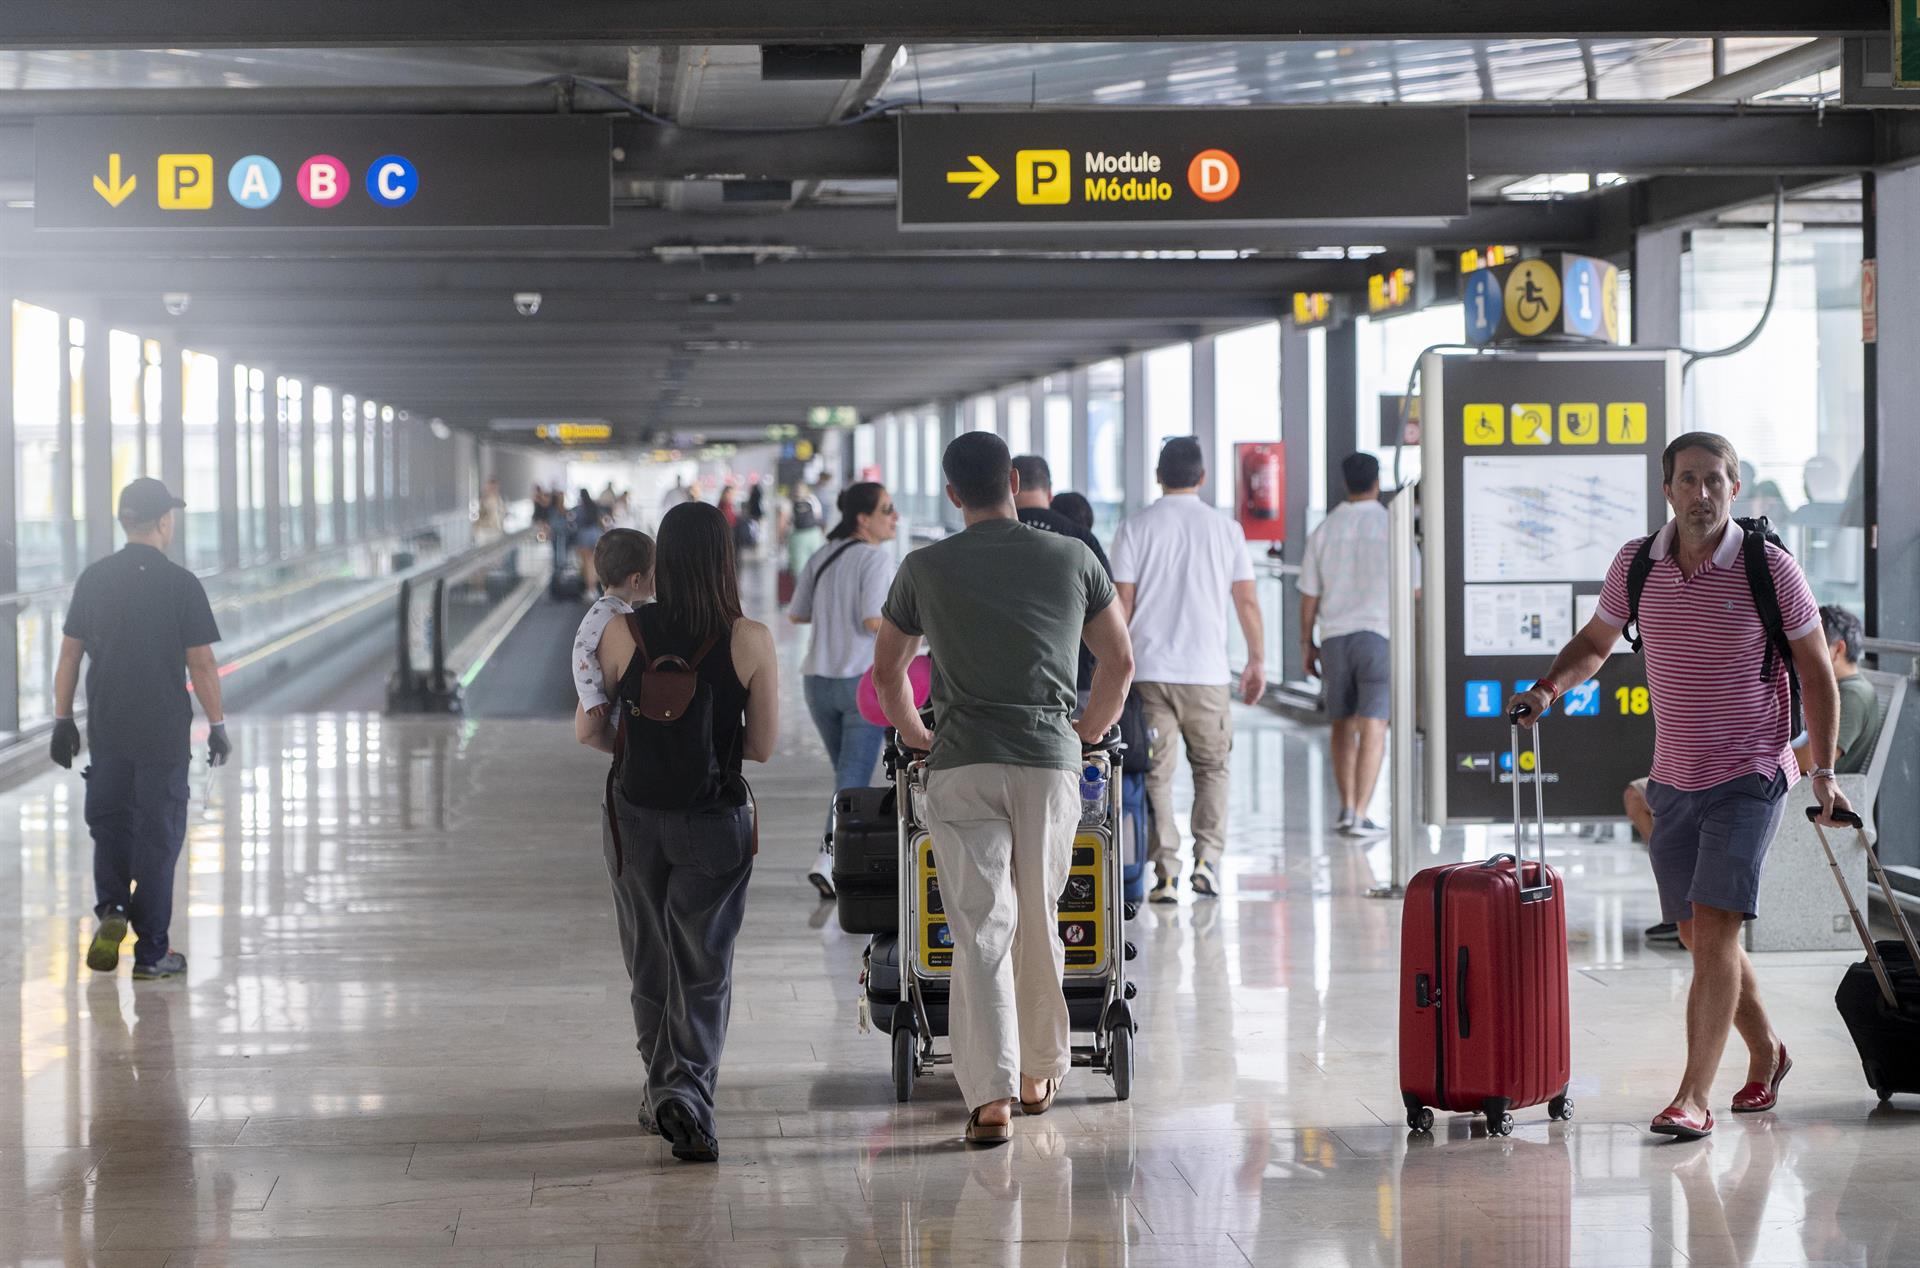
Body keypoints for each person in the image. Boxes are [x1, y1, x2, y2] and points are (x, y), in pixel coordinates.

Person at [1509, 431, 1849, 1142]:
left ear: (1736, 487)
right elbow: (1597, 643)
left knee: (1719, 926)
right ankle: (1768, 1051)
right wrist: (1548, 689)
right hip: (1675, 775)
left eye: (1716, 480)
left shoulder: (1771, 569)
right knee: (1700, 934)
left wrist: (1821, 770)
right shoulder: (1637, 565)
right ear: (1667, 490)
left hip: (1752, 770)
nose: (1702, 493)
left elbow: (1816, 670)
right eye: (1688, 480)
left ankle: (1693, 1096)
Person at [873, 432, 1134, 1146]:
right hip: (1049, 763)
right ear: (1014, 481)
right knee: (1038, 918)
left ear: (953, 493)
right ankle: (1039, 1073)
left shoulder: (923, 567)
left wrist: (917, 735)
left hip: (961, 763)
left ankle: (989, 1099)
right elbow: (1120, 660)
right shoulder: (1073, 557)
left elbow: (888, 671)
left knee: (980, 928)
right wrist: (1083, 732)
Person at [575, 502, 778, 1163]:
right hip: (714, 820)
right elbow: (765, 746)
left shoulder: (621, 632)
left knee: (649, 957)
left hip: (633, 816)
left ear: (659, 561)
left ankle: (658, 1086)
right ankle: (684, 1096)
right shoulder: (749, 638)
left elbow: (591, 728)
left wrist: (646, 752)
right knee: (703, 965)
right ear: (726, 559)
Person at [53, 478, 230, 982]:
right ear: (163, 522)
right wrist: (217, 725)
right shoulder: (181, 584)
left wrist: (62, 720)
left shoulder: (94, 579)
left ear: (123, 521)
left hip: (107, 730)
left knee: (110, 825)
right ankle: (152, 952)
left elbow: (69, 654)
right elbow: (201, 664)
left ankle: (111, 909)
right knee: (158, 836)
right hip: (161, 735)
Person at [1110, 437, 1265, 904]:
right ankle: (1208, 861)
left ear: (1159, 476)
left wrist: (1115, 666)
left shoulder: (1135, 527)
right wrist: (1257, 659)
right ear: (1202, 477)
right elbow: (1247, 600)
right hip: (1207, 673)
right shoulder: (1226, 530)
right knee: (1213, 768)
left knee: (1157, 773)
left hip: (1149, 671)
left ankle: (1167, 872)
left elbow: (1122, 603)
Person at [788, 482, 900, 896]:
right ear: (863, 519)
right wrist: (919, 635)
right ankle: (829, 856)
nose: (895, 517)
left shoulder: (821, 555)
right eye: (887, 509)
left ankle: (848, 854)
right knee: (852, 782)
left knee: (847, 777)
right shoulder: (875, 559)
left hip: (817, 683)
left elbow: (798, 614)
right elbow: (874, 620)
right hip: (859, 685)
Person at [1300, 453, 1412, 837]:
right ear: (1376, 482)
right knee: (1374, 723)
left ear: (1345, 483)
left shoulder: (1326, 528)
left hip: (1334, 637)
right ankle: (1362, 811)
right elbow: (1414, 589)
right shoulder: (1391, 525)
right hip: (1378, 635)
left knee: (1341, 723)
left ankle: (1346, 808)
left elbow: (1309, 596)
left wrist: (1306, 644)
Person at [1013, 456, 1112, 702]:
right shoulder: (1081, 539)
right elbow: (1113, 617)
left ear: (1010, 485)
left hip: (1001, 690)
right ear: (1049, 493)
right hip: (1074, 683)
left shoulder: (987, 539)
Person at [572, 529, 657, 720]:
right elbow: (581, 649)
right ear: (636, 580)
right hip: (613, 712)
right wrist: (591, 696)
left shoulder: (617, 610)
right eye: (654, 572)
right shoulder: (603, 613)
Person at [786, 479, 825, 576]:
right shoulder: (813, 500)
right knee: (818, 566)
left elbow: (785, 521)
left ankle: (802, 589)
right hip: (814, 534)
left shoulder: (789, 502)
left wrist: (781, 538)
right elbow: (819, 518)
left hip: (797, 536)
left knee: (799, 571)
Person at [571, 488, 605, 591]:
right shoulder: (595, 506)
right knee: (595, 563)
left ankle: (590, 588)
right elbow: (601, 521)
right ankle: (596, 587)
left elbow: (575, 523)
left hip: (584, 535)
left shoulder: (579, 508)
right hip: (596, 534)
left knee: (587, 563)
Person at [474, 476, 506, 541]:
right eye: (491, 487)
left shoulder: (500, 501)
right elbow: (478, 516)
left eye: (494, 487)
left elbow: (501, 515)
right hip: (484, 532)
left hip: (496, 532)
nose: (492, 489)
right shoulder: (482, 500)